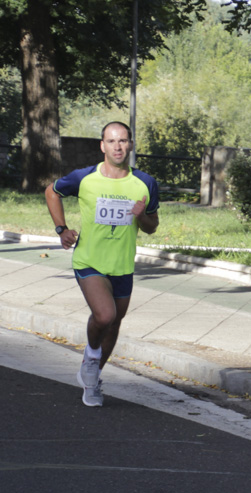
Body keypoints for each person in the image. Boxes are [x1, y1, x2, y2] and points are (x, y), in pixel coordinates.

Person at [44, 122, 160, 407]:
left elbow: (151, 227)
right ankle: (92, 355)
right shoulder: (84, 178)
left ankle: (93, 379)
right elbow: (51, 191)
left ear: (131, 144)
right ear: (102, 145)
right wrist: (62, 229)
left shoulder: (145, 182)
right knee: (105, 316)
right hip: (89, 261)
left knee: (115, 323)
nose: (117, 147)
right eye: (111, 141)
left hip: (122, 265)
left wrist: (142, 214)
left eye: (122, 141)